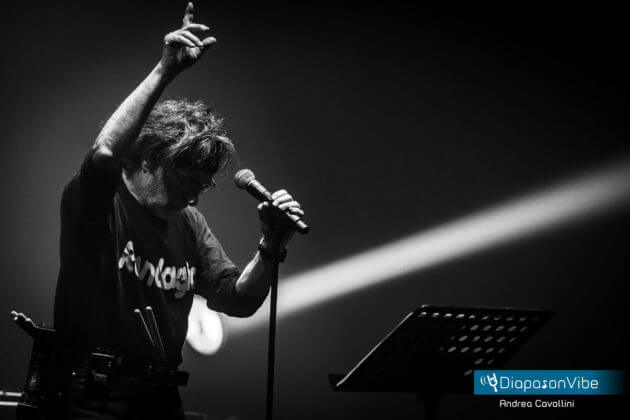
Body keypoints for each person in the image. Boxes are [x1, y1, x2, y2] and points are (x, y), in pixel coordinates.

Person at [49, 3, 304, 418]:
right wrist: (165, 70)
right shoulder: (101, 202)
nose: (193, 197)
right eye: (185, 182)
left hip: (159, 402)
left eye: (202, 187)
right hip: (91, 400)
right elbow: (106, 152)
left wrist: (271, 245)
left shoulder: (189, 224)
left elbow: (237, 299)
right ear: (151, 158)